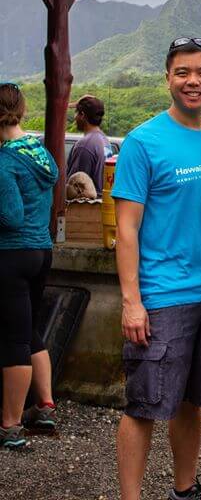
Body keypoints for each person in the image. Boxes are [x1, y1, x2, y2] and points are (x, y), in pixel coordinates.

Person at [113, 37, 201, 500]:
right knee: (144, 405)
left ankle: (185, 489)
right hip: (163, 297)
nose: (193, 81)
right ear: (167, 78)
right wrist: (132, 303)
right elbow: (126, 230)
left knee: (192, 401)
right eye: (183, 72)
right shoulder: (143, 143)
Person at [0, 82, 59, 449]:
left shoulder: (5, 161)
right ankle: (46, 406)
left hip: (11, 255)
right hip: (42, 251)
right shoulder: (41, 152)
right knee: (31, 330)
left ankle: (10, 426)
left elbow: (10, 216)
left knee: (13, 340)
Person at [66, 94, 112, 195]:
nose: (75, 118)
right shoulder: (104, 140)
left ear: (82, 115)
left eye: (76, 113)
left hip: (87, 207)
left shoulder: (84, 145)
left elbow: (75, 186)